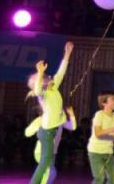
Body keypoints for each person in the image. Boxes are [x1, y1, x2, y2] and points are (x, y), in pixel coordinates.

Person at [27, 42, 73, 184]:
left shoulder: (53, 88)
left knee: (50, 170)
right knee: (44, 164)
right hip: (46, 132)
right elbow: (38, 90)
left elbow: (61, 72)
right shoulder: (43, 94)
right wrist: (39, 72)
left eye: (45, 75)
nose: (46, 76)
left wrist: (67, 54)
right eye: (40, 78)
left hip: (52, 131)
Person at [25, 106, 77, 184]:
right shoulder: (41, 120)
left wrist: (72, 114)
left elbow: (72, 127)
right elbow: (28, 132)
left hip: (52, 152)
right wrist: (40, 130)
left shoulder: (60, 120)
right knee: (51, 173)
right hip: (42, 151)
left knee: (46, 174)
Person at [88, 92, 114, 184]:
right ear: (104, 103)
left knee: (113, 179)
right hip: (96, 151)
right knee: (99, 179)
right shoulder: (99, 115)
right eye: (113, 99)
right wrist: (113, 130)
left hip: (109, 152)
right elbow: (98, 133)